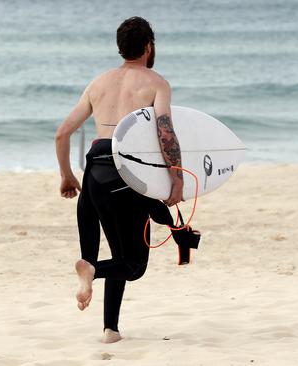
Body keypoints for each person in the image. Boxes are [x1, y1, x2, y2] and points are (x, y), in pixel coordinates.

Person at [55, 16, 198, 343]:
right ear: (149, 47)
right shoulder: (156, 83)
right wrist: (176, 178)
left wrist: (67, 176)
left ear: (121, 48)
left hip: (93, 177)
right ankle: (91, 271)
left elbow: (62, 134)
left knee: (115, 250)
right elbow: (166, 133)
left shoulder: (98, 82)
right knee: (133, 266)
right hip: (126, 176)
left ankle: (110, 330)